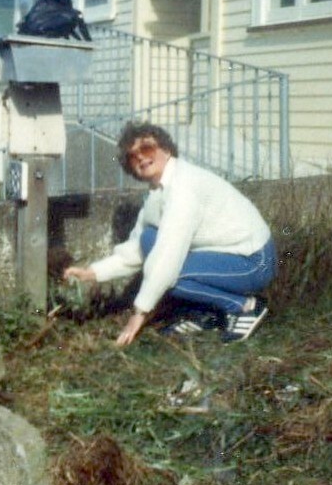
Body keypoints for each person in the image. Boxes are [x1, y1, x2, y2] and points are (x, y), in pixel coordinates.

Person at [63, 121, 276, 348]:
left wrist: (139, 314)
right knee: (149, 239)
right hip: (228, 255)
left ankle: (245, 306)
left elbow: (168, 257)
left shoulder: (183, 188)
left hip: (254, 261)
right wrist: (93, 272)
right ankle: (206, 314)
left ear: (166, 149)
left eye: (147, 148)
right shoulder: (158, 190)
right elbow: (137, 248)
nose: (141, 157)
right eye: (133, 156)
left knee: (169, 274)